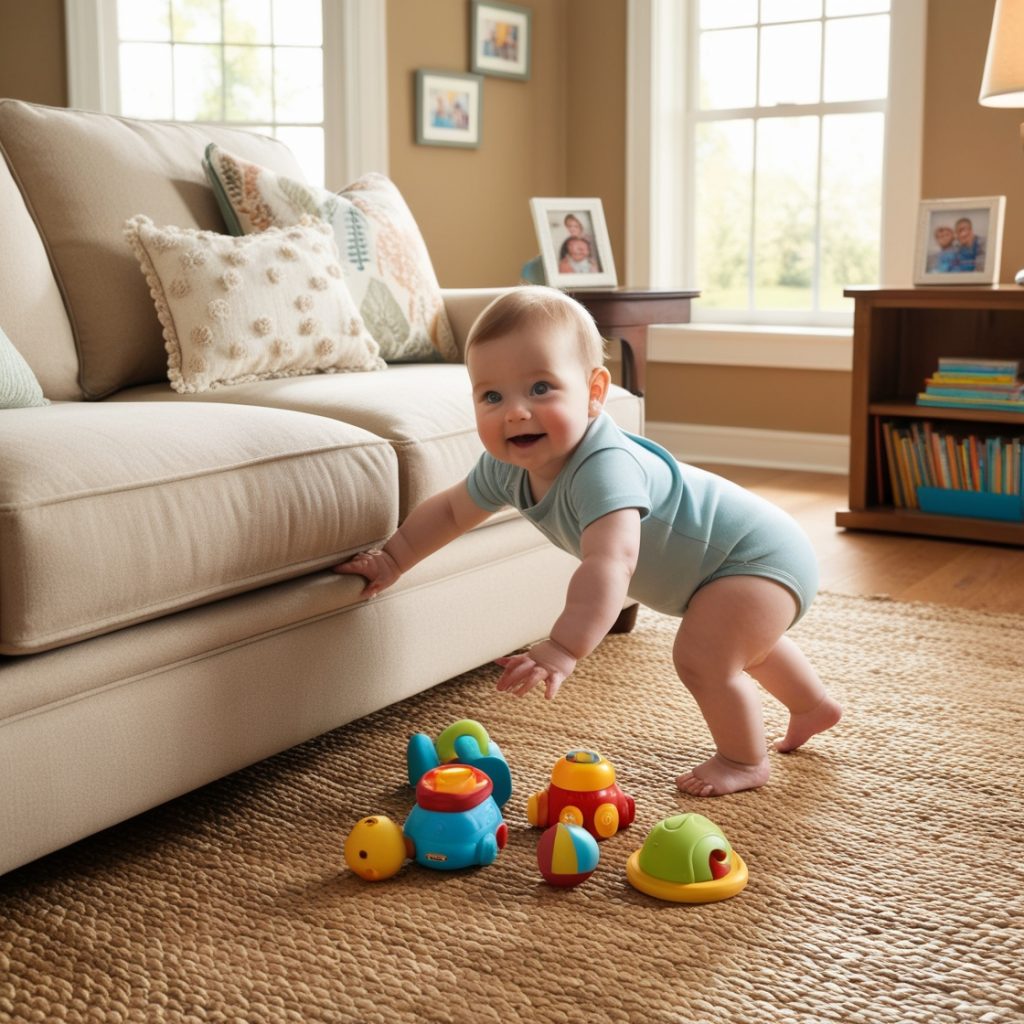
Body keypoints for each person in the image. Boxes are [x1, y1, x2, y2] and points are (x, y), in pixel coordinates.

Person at [335, 286, 842, 797]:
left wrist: (563, 647)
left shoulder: (605, 469)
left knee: (704, 656)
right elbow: (449, 511)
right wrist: (392, 559)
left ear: (594, 392)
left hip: (754, 557)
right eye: (492, 396)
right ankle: (813, 707)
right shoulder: (504, 467)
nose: (514, 412)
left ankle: (743, 759)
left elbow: (611, 563)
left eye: (540, 389)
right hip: (729, 567)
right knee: (746, 648)